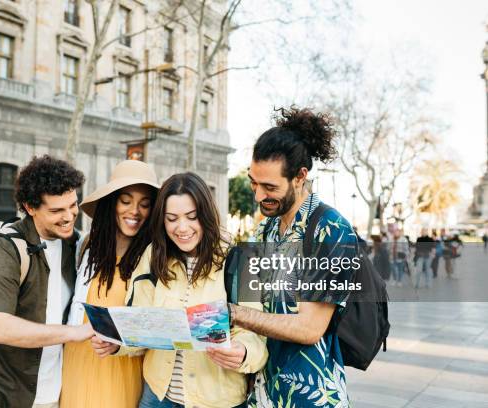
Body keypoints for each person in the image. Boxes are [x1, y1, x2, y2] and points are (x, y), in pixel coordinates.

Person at [92, 172, 268, 408]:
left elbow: (256, 335)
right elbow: (139, 322)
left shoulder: (241, 260)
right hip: (157, 397)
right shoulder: (153, 255)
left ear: (205, 215)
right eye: (171, 218)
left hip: (217, 401)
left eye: (191, 217)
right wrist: (118, 343)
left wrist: (243, 352)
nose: (182, 228)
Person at [228, 107, 358, 408]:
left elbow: (309, 329)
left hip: (310, 396)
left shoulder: (331, 229)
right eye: (253, 183)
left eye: (270, 187)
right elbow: (251, 304)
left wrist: (232, 313)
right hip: (261, 393)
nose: (258, 196)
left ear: (300, 177)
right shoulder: (263, 229)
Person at [0, 155, 94, 408]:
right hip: (0, 391)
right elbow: (0, 328)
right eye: (56, 210)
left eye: (73, 205)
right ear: (30, 207)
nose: (69, 216)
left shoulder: (75, 244)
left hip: (51, 390)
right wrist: (75, 333)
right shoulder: (4, 249)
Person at [60, 160, 159, 408]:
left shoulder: (153, 258)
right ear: (111, 202)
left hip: (121, 367)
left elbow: (153, 325)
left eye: (144, 204)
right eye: (126, 201)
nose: (134, 211)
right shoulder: (85, 248)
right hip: (77, 361)